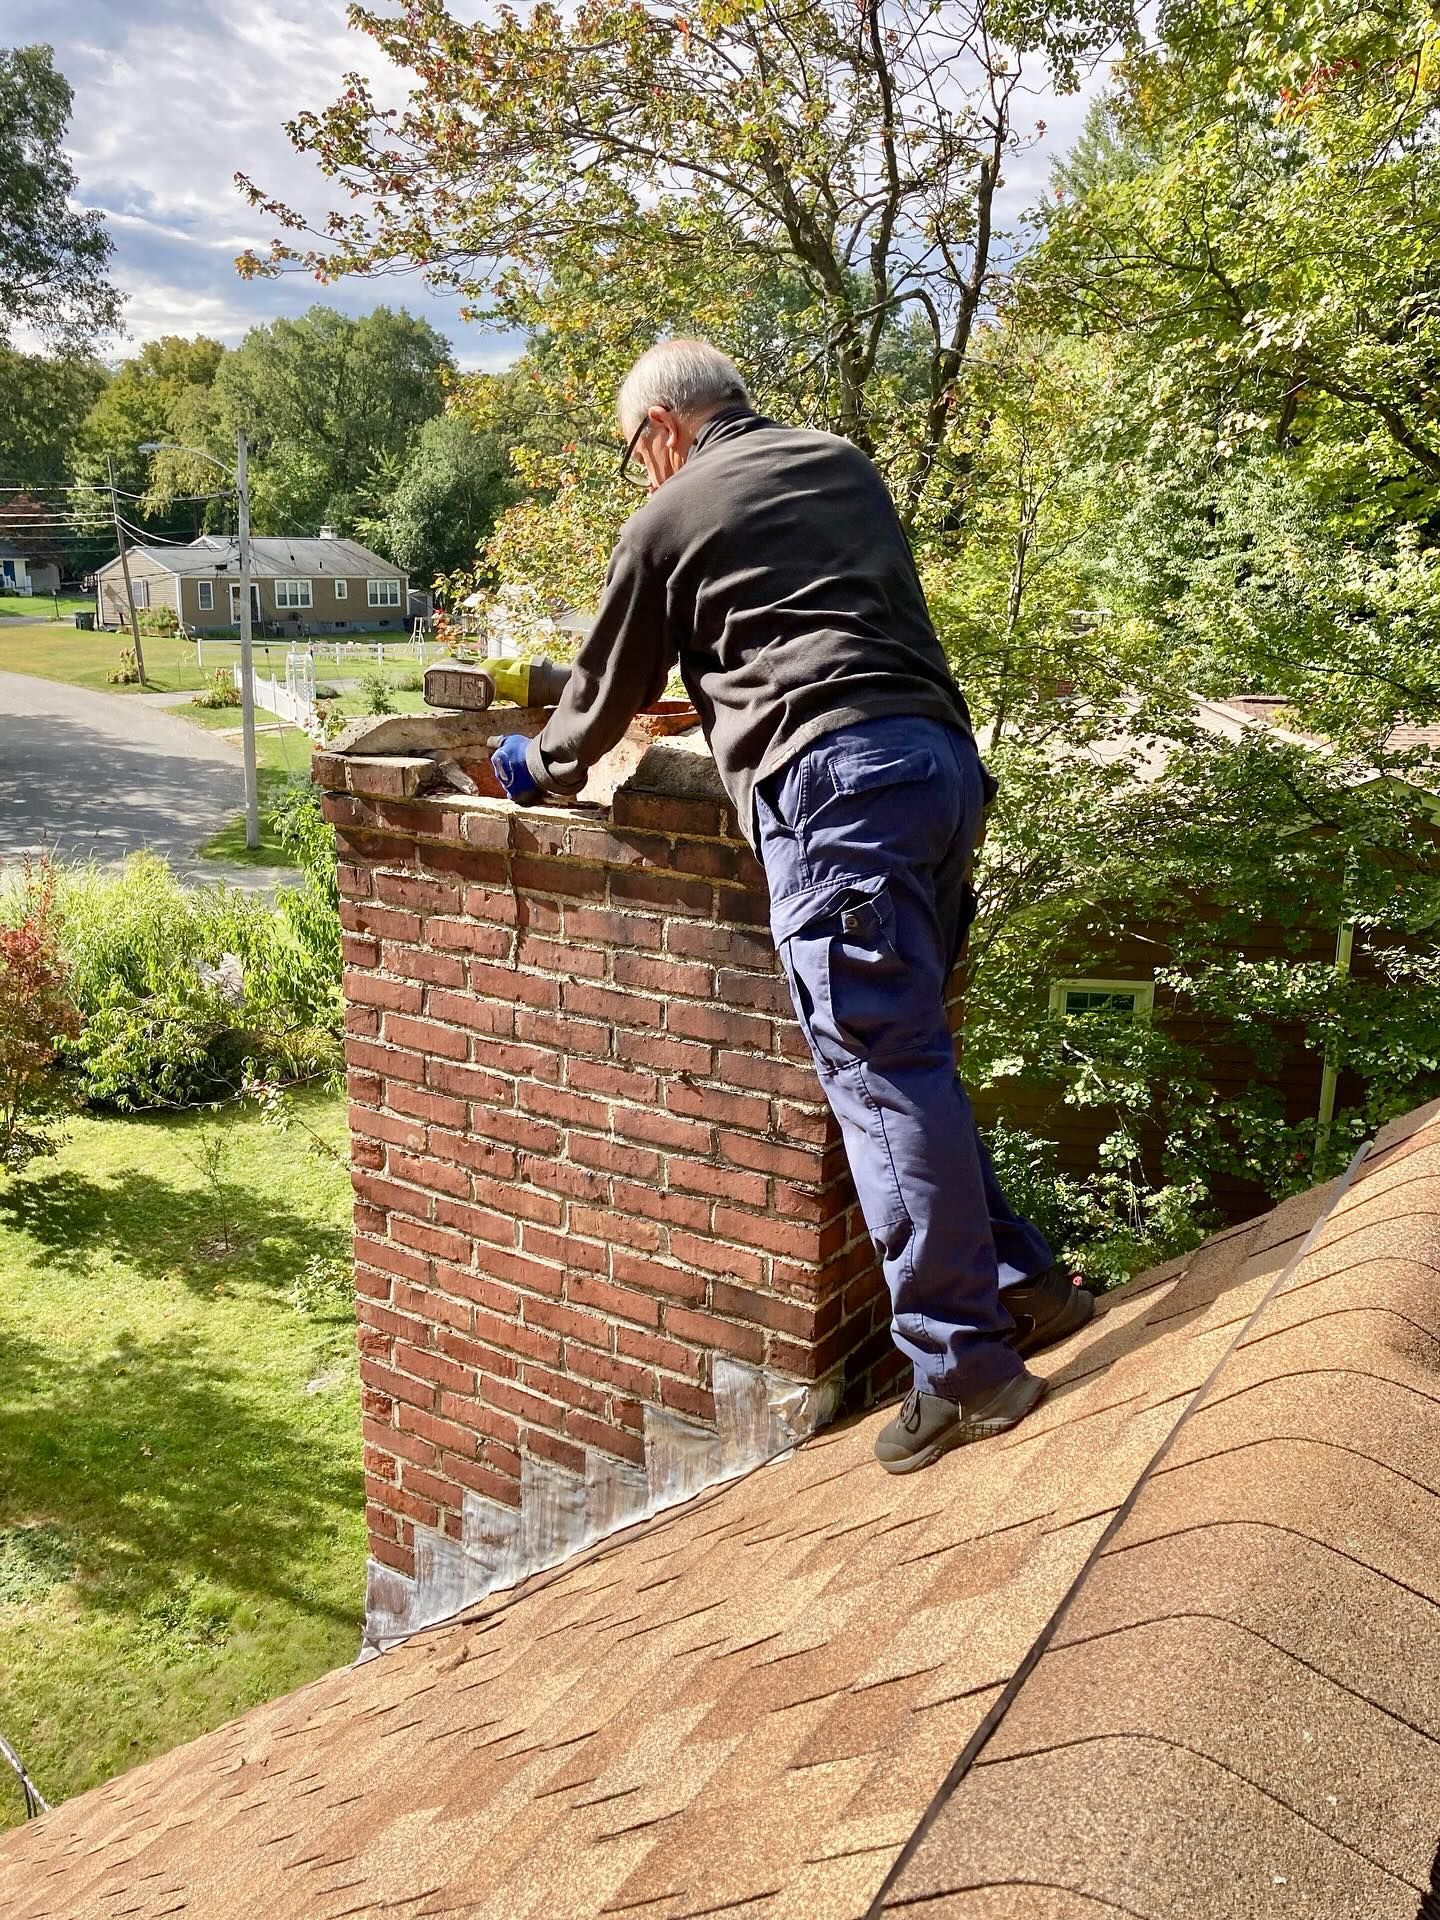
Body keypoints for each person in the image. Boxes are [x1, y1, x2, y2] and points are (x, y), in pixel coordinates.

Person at [489, 339, 1093, 1473]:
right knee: (912, 1053)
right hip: (941, 770)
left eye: (636, 455)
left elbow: (604, 691)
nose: (643, 475)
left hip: (832, 786)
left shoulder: (669, 519)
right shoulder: (841, 462)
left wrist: (538, 762)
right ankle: (1025, 1288)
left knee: (877, 1067)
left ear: (663, 429)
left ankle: (966, 1373)